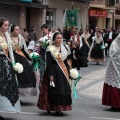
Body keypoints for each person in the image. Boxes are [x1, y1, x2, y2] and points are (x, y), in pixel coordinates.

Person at [37, 32, 72, 116]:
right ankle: (53, 107)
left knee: (63, 89)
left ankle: (61, 108)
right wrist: (50, 75)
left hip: (63, 72)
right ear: (54, 39)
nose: (60, 40)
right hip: (53, 70)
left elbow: (66, 62)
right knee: (53, 90)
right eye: (58, 38)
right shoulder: (50, 49)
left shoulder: (64, 48)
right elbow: (48, 63)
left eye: (61, 38)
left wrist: (69, 72)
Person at [0, 17, 21, 120]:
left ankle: (5, 107)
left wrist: (13, 64)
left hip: (6, 64)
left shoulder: (7, 36)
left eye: (8, 25)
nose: (7, 27)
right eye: (5, 25)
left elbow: (11, 52)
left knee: (7, 87)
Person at [10, 24, 37, 96]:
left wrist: (29, 57)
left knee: (25, 74)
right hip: (12, 57)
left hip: (21, 58)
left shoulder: (20, 37)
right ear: (12, 31)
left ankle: (19, 94)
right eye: (16, 29)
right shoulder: (8, 38)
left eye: (18, 29)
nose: (18, 31)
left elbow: (24, 49)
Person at [102, 34, 120, 110]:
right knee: (115, 83)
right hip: (113, 67)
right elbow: (113, 55)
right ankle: (115, 104)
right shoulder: (114, 44)